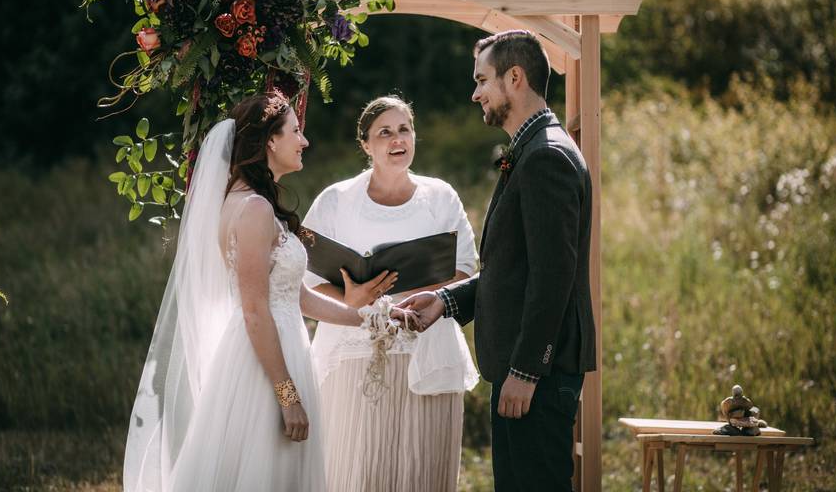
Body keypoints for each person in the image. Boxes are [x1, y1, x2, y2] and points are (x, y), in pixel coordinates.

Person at [123, 93, 415, 492]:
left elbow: (298, 298)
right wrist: (286, 394)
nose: (304, 141)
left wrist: (374, 317)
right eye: (296, 131)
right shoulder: (254, 210)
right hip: (264, 364)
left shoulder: (252, 203)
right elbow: (255, 311)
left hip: (280, 348)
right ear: (270, 142)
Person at [401, 30, 597, 492]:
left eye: (482, 80)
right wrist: (446, 302)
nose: (475, 93)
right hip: (523, 370)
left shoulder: (546, 155)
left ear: (515, 77)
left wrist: (527, 370)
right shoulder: (533, 149)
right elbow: (515, 271)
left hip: (536, 375)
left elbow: (553, 277)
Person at [303, 95, 479, 492]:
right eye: (385, 132)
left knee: (422, 470)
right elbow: (307, 279)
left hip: (427, 348)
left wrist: (406, 297)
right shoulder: (335, 200)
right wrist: (355, 298)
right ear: (365, 144)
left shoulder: (441, 196)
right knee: (358, 470)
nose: (397, 139)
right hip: (355, 352)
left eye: (404, 129)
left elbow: (466, 267)